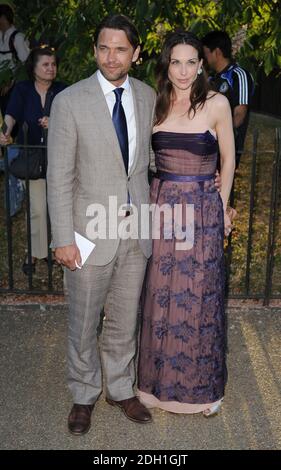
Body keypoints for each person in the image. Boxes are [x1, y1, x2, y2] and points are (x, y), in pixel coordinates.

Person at [47, 14, 156, 436]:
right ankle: (83, 393)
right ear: (95, 50)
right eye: (104, 48)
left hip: (135, 231)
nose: (111, 57)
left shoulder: (148, 97)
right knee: (83, 319)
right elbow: (59, 176)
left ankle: (119, 386)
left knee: (125, 320)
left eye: (121, 49)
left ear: (136, 54)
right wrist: (61, 239)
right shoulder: (69, 101)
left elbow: (151, 163)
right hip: (87, 234)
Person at [137, 31, 235, 416]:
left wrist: (221, 207)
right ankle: (156, 386)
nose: (182, 70)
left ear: (200, 65)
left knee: (198, 297)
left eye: (190, 61)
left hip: (202, 210)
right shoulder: (154, 103)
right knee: (160, 295)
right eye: (175, 61)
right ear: (167, 64)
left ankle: (201, 392)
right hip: (161, 208)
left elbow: (227, 161)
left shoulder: (217, 104)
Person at [0, 46, 66, 274]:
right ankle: (35, 252)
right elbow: (11, 114)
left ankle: (54, 250)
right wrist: (5, 131)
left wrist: (55, 120)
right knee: (38, 208)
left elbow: (73, 119)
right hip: (32, 158)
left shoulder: (63, 90)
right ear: (34, 68)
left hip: (60, 158)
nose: (51, 68)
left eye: (53, 64)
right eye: (45, 64)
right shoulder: (22, 90)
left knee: (57, 209)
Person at [202, 30, 254, 169]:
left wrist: (216, 133)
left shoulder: (239, 75)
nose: (205, 57)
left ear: (217, 52)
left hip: (227, 150)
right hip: (208, 150)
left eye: (206, 53)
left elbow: (240, 115)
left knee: (223, 189)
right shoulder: (213, 79)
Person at [0, 3, 30, 118]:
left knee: (16, 120)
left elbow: (25, 64)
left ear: (3, 18)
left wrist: (11, 82)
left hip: (15, 87)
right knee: (5, 116)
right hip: (3, 87)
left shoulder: (18, 38)